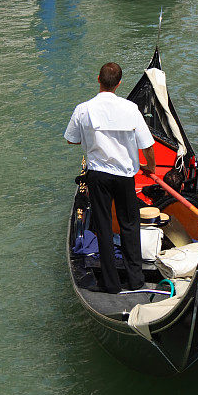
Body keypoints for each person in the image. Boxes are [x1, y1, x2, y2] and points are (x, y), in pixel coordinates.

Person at [65, 63, 156, 294]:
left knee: (103, 227)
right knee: (129, 225)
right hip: (125, 176)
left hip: (98, 175)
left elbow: (71, 140)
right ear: (119, 83)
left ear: (98, 79)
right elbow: (147, 145)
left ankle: (110, 283)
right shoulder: (131, 108)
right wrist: (150, 168)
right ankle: (136, 281)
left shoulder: (83, 109)